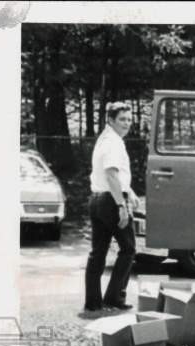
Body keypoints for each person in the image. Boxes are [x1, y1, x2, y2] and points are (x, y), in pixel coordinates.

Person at [83, 101, 139, 314]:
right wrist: (122, 206)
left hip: (97, 199)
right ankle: (114, 298)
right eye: (122, 119)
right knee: (129, 249)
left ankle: (93, 303)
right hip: (110, 201)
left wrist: (130, 192)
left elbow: (110, 175)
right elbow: (111, 174)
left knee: (98, 252)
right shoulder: (114, 142)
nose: (127, 124)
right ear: (111, 120)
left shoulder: (104, 140)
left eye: (129, 119)